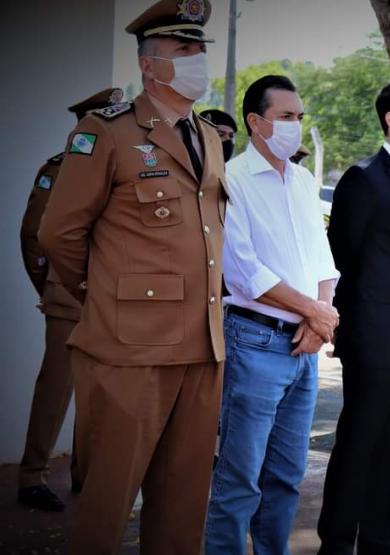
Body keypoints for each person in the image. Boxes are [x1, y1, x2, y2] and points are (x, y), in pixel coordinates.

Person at [38, 1, 226, 551]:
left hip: (202, 345)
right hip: (130, 350)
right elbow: (60, 233)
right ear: (150, 65)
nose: (197, 60)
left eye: (199, 50)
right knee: (108, 503)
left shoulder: (208, 136)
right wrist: (102, 298)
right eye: (183, 50)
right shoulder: (106, 133)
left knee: (184, 502)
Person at [204, 75, 339, 554]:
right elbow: (243, 272)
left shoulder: (302, 180)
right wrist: (317, 315)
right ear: (256, 123)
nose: (295, 126)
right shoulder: (232, 180)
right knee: (240, 475)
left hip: (303, 345)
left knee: (285, 476)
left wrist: (318, 316)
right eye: (286, 117)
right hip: (255, 341)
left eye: (300, 118)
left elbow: (323, 258)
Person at [319, 78, 390, 555]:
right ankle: (336, 543)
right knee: (358, 443)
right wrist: (354, 329)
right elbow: (343, 254)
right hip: (374, 338)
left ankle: (380, 541)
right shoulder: (363, 177)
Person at [17, 87, 123, 512]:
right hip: (69, 294)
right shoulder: (58, 170)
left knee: (99, 390)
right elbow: (34, 236)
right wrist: (51, 287)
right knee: (57, 388)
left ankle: (85, 474)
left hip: (108, 295)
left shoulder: (116, 168)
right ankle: (31, 476)